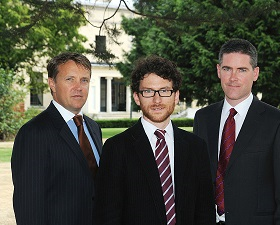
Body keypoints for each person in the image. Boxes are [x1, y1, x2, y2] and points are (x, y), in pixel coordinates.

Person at [93, 55, 216, 225]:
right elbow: (107, 216)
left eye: (165, 91)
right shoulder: (116, 149)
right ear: (137, 97)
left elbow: (205, 212)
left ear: (176, 96)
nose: (157, 100)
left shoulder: (196, 147)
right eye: (148, 92)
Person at [193, 38, 280, 225]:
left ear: (255, 73)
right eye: (227, 69)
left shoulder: (278, 122)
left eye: (242, 70)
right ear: (219, 71)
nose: (233, 78)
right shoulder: (203, 118)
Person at [11, 52, 103, 225]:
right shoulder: (33, 134)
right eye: (70, 79)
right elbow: (29, 209)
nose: (79, 87)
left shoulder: (93, 128)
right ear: (52, 83)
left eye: (84, 80)